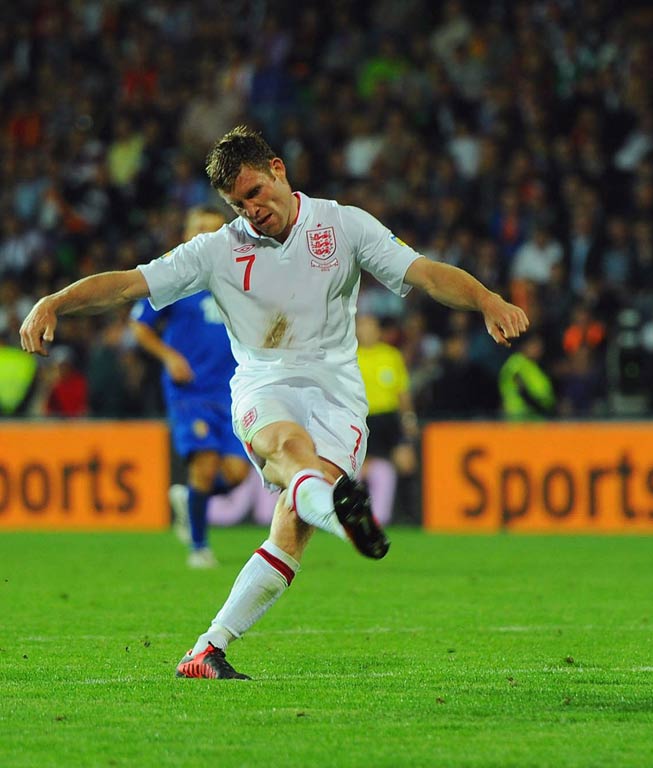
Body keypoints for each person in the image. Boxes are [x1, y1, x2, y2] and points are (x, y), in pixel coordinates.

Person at [19, 125, 529, 680]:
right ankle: (339, 510)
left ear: (278, 170)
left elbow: (425, 273)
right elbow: (126, 286)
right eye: (239, 203)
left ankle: (208, 648)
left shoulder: (344, 224)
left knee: (291, 524)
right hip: (264, 383)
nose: (252, 209)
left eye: (256, 192)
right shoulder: (218, 250)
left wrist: (486, 298)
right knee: (290, 449)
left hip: (337, 395)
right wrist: (55, 301)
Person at [130, 205, 252, 569]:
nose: (205, 236)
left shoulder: (236, 280)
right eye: (199, 228)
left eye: (214, 231)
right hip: (191, 392)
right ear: (186, 234)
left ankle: (189, 500)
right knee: (204, 462)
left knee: (235, 474)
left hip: (232, 391)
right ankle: (199, 548)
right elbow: (140, 326)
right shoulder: (174, 280)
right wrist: (168, 357)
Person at [354, 313, 417, 526]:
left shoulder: (391, 355)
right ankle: (355, 516)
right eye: (362, 326)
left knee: (406, 463)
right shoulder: (350, 356)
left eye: (370, 326)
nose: (367, 331)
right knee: (361, 469)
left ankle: (407, 515)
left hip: (389, 418)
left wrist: (409, 418)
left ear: (378, 331)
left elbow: (403, 392)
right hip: (363, 419)